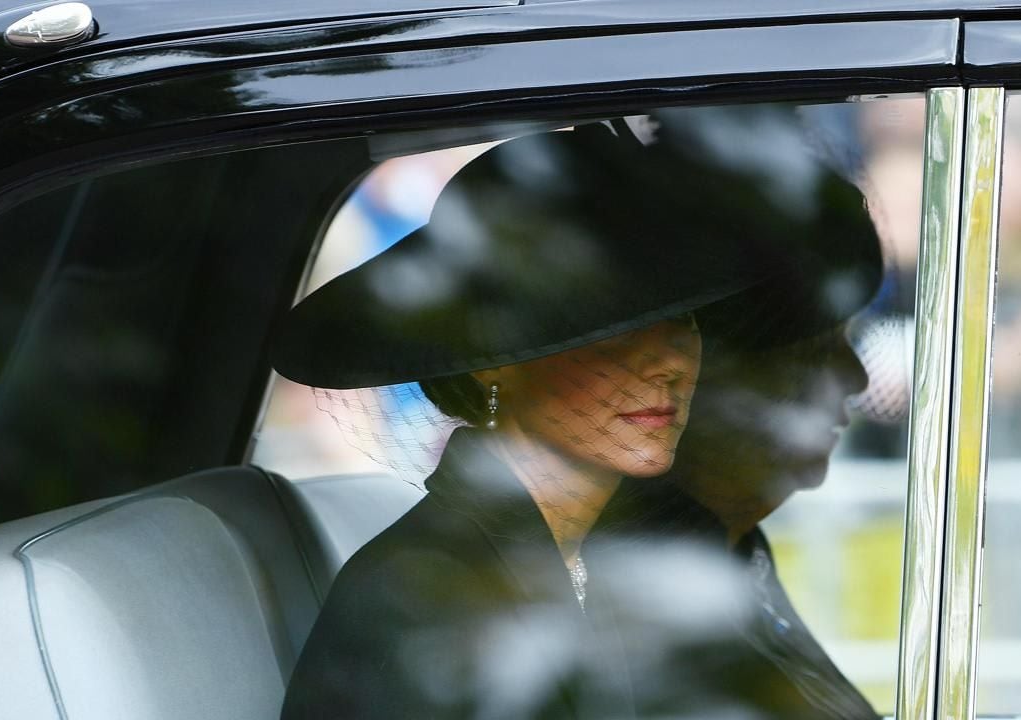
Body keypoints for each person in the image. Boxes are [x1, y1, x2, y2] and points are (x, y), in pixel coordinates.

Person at [273, 118, 833, 719]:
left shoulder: (649, 548)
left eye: (685, 321)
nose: (668, 363)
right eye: (613, 329)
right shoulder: (420, 602)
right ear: (493, 363)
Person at [586, 175, 885, 719]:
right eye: (816, 352)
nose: (857, 377)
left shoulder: (734, 551)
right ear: (709, 387)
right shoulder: (652, 582)